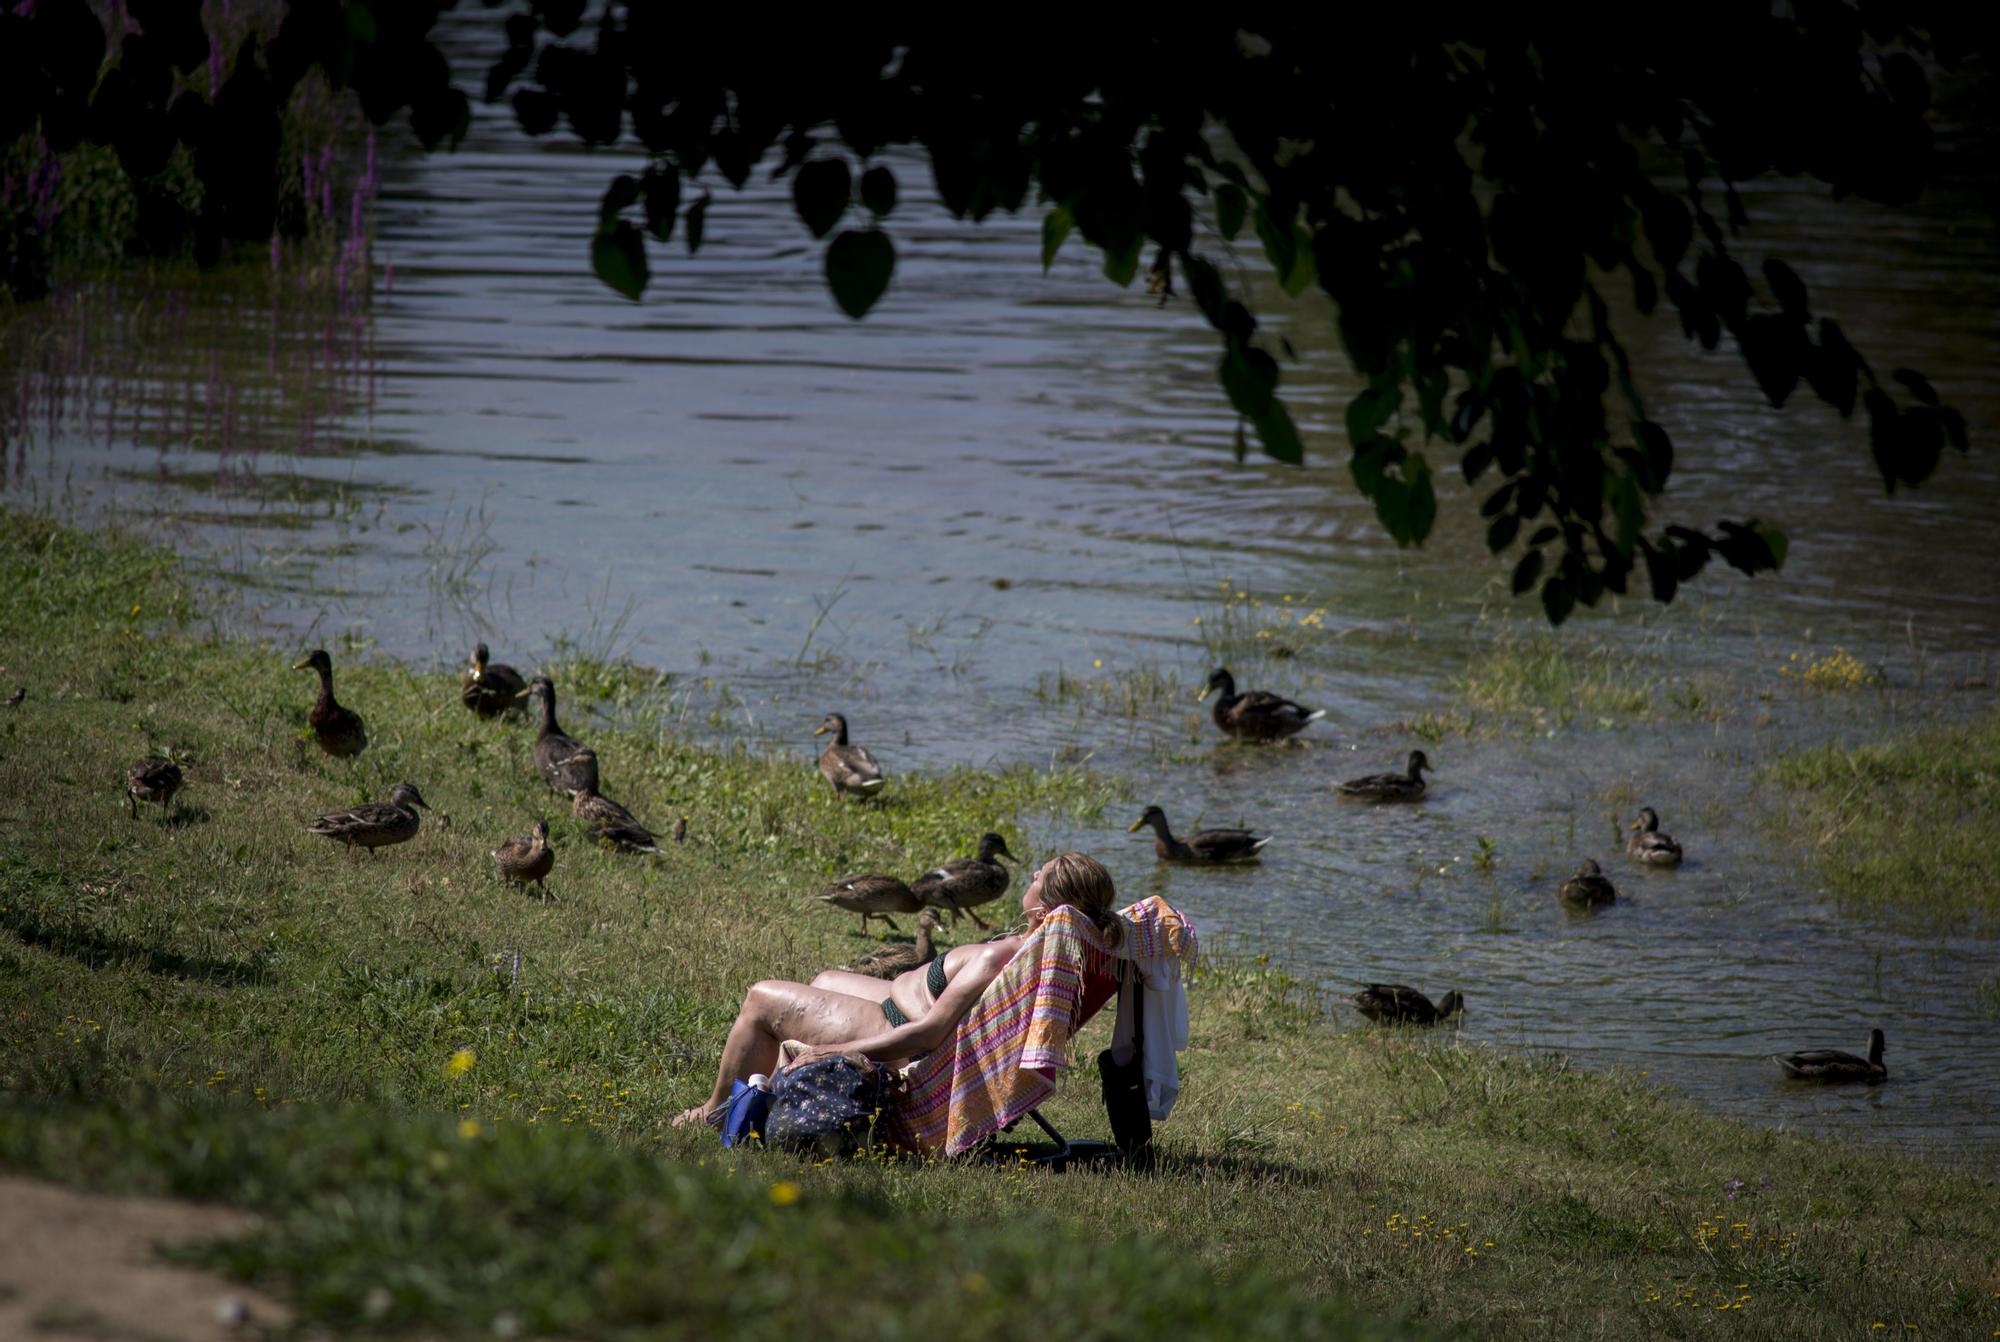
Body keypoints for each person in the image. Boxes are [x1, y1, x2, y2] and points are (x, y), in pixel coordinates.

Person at [671, 852, 1122, 1128]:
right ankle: (775, 1094)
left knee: (761, 998)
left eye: (1036, 878)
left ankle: (714, 1113)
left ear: (1045, 908)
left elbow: (929, 1035)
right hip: (896, 1000)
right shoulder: (1056, 953)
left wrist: (835, 1051)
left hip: (901, 1029)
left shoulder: (998, 960)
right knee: (824, 982)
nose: (1030, 876)